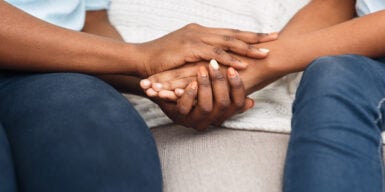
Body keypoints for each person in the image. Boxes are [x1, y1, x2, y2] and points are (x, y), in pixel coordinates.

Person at [0, 0, 279, 191]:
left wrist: (159, 84)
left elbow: (91, 21)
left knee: (103, 162)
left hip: (54, 69)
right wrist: (141, 56)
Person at [142, 0, 385, 191]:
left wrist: (264, 63)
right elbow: (335, 3)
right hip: (367, 54)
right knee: (334, 75)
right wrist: (245, 66)